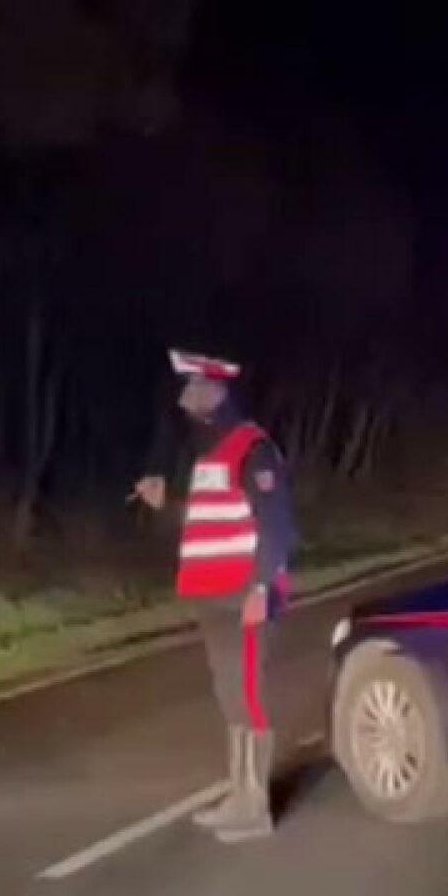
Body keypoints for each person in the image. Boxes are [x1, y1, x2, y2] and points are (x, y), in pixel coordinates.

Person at [131, 349, 299, 842]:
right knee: (228, 692)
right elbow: (205, 523)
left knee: (248, 693)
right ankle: (238, 793)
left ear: (216, 392)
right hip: (212, 595)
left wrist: (262, 587)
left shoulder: (254, 449)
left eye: (192, 387)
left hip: (243, 596)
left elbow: (277, 525)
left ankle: (256, 806)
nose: (184, 398)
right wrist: (167, 506)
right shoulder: (211, 456)